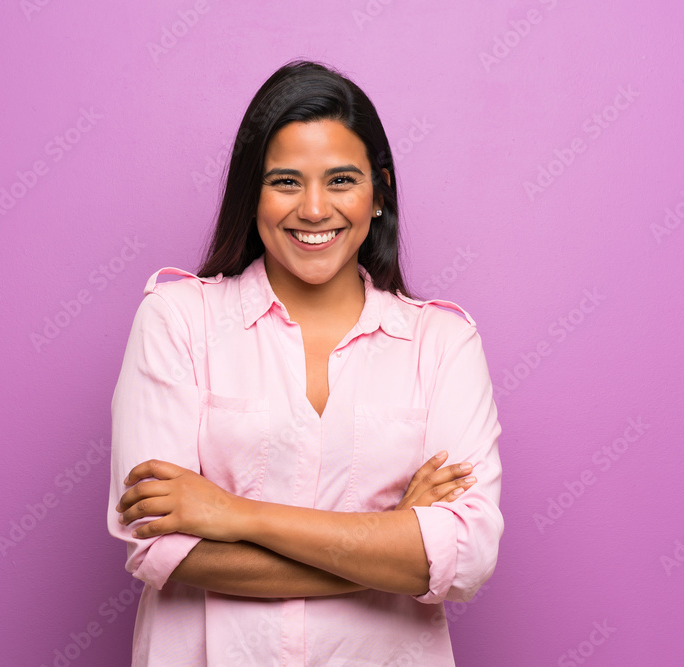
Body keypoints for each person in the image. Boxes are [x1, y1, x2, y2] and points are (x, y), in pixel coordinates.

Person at [107, 59, 503, 666]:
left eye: (341, 179)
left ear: (379, 191)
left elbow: (467, 557)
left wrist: (232, 514)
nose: (314, 209)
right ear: (252, 192)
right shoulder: (177, 319)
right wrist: (393, 539)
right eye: (286, 181)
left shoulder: (443, 342)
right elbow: (162, 551)